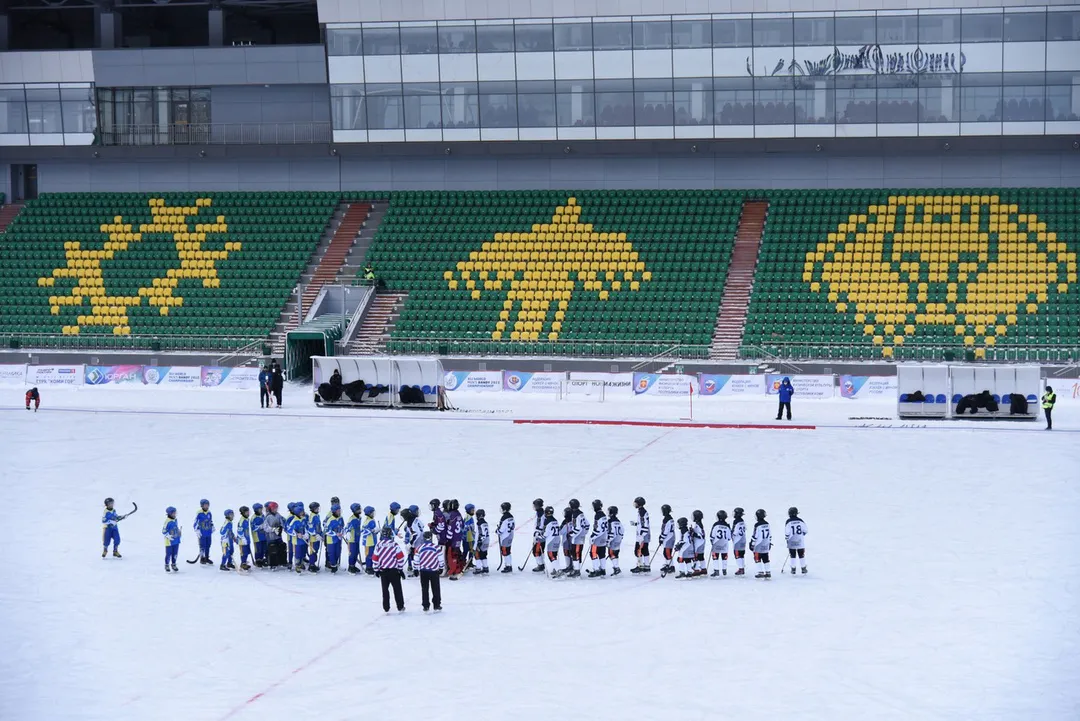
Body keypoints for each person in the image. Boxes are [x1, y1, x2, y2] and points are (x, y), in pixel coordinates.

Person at [372, 527, 406, 613]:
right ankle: (400, 606)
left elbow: (375, 559)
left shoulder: (378, 545)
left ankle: (386, 607)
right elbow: (400, 557)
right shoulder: (394, 544)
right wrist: (400, 569)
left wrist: (376, 569)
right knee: (397, 589)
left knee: (385, 590)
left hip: (383, 571)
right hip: (394, 571)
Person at [414, 531, 444, 612]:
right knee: (436, 588)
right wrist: (441, 567)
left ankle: (426, 605)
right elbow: (440, 559)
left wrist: (415, 569)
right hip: (434, 571)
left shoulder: (419, 548)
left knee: (424, 589)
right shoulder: (436, 547)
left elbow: (416, 559)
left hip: (423, 571)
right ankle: (437, 605)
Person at [587, 499, 609, 578]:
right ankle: (603, 570)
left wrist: (593, 536)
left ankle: (596, 570)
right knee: (602, 554)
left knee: (593, 554)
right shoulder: (603, 515)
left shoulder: (597, 515)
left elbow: (597, 528)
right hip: (604, 537)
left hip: (597, 538)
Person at [569, 498, 589, 578]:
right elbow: (587, 524)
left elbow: (577, 527)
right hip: (581, 536)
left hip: (577, 538)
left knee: (575, 553)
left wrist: (572, 534)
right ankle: (577, 569)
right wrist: (584, 533)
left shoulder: (575, 515)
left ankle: (577, 571)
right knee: (577, 553)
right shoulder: (581, 513)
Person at [784, 507, 808, 575]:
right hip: (800, 540)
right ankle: (803, 568)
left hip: (791, 540)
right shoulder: (800, 521)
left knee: (792, 555)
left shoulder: (788, 521)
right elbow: (806, 530)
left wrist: (787, 539)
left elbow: (787, 532)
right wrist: (801, 535)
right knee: (801, 554)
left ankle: (793, 569)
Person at [630, 497, 651, 573]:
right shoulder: (642, 511)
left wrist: (641, 536)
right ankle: (647, 566)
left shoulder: (642, 512)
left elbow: (645, 525)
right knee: (645, 550)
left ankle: (640, 566)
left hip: (642, 535)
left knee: (638, 550)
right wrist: (636, 524)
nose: (634, 504)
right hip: (644, 534)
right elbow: (642, 523)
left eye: (636, 503)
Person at [263, 501, 286, 568]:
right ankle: (272, 563)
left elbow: (282, 522)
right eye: (274, 508)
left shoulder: (278, 515)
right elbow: (265, 527)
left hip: (278, 536)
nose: (275, 510)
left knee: (281, 547)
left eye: (276, 508)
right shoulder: (268, 517)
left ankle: (281, 561)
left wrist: (281, 527)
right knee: (272, 549)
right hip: (271, 537)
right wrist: (273, 529)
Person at [750, 509, 772, 579]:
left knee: (757, 557)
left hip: (758, 544)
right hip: (766, 543)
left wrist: (752, 544)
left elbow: (755, 536)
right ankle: (768, 572)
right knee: (766, 558)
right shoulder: (767, 524)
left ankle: (760, 572)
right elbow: (770, 535)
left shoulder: (757, 525)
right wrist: (769, 543)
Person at [710, 510, 732, 577]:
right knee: (724, 557)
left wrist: (712, 541)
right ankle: (724, 570)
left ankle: (716, 571)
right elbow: (729, 537)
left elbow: (712, 535)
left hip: (716, 543)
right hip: (725, 544)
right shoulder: (727, 526)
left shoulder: (715, 525)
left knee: (715, 557)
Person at [445, 500, 464, 578]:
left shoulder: (451, 515)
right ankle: (459, 565)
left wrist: (448, 538)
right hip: (458, 537)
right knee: (457, 551)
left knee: (452, 554)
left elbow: (450, 527)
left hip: (452, 538)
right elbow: (462, 525)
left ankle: (454, 569)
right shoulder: (459, 514)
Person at [324, 503, 344, 573]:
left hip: (338, 539)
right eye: (338, 511)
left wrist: (342, 532)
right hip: (331, 540)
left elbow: (342, 526)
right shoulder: (330, 520)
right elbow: (326, 531)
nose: (339, 512)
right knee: (332, 553)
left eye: (340, 510)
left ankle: (336, 563)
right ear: (334, 511)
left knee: (338, 552)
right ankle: (333, 565)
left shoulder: (340, 518)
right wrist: (335, 534)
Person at [542, 506, 562, 577]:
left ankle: (558, 570)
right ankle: (555, 568)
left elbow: (546, 533)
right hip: (557, 539)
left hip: (551, 540)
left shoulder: (547, 521)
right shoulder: (555, 520)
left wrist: (541, 536)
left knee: (551, 555)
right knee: (554, 554)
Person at [345, 503, 364, 574]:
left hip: (357, 538)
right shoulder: (352, 519)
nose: (360, 510)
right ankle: (350, 567)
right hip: (352, 539)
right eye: (358, 509)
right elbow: (347, 528)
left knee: (356, 552)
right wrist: (348, 532)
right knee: (352, 553)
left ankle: (353, 565)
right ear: (355, 510)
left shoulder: (359, 518)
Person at [496, 502, 515, 573]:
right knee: (508, 551)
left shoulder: (504, 517)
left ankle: (508, 566)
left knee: (505, 552)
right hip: (510, 535)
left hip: (505, 537)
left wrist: (498, 531)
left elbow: (501, 529)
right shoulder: (511, 516)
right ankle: (509, 565)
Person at [657, 504, 676, 575]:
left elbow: (666, 530)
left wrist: (662, 537)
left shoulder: (667, 520)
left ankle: (671, 566)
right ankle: (668, 564)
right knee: (665, 552)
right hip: (669, 537)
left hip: (669, 538)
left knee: (667, 553)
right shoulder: (669, 518)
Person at [194, 499, 214, 565]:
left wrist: (212, 526)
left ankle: (206, 557)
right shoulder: (199, 513)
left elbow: (210, 521)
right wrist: (197, 530)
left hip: (208, 532)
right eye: (205, 505)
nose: (206, 506)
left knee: (208, 545)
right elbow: (195, 523)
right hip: (202, 533)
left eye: (207, 505)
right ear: (202, 505)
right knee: (202, 546)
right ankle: (202, 558)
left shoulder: (209, 512)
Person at [162, 506, 181, 573]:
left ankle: (173, 564)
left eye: (175, 513)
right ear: (170, 514)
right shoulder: (167, 521)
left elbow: (175, 528)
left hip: (176, 540)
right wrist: (167, 535)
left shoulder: (175, 520)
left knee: (175, 553)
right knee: (168, 554)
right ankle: (167, 565)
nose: (175, 514)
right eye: (173, 513)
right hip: (169, 542)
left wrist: (179, 532)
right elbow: (163, 531)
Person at [530, 498, 546, 573]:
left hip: (540, 535)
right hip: (543, 534)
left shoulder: (540, 514)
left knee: (536, 551)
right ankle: (541, 564)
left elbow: (540, 526)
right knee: (540, 550)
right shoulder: (541, 512)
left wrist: (537, 534)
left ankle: (541, 565)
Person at [607, 506, 624, 576]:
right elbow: (622, 530)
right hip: (618, 539)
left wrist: (608, 540)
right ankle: (616, 567)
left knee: (612, 554)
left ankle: (616, 568)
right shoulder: (618, 521)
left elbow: (612, 532)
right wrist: (621, 537)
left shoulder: (610, 521)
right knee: (616, 553)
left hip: (613, 540)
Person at [472, 509, 490, 574]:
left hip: (481, 542)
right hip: (487, 541)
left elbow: (481, 534)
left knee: (477, 555)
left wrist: (479, 543)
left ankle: (478, 568)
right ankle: (485, 567)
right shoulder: (485, 523)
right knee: (484, 554)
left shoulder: (479, 523)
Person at [361, 506, 378, 574]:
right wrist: (373, 530)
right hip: (368, 542)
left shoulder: (372, 520)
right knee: (369, 555)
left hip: (372, 541)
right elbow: (363, 531)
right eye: (373, 512)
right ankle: (368, 568)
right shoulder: (367, 521)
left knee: (372, 554)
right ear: (369, 513)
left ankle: (370, 565)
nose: (374, 514)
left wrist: (376, 530)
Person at [307, 501, 323, 572]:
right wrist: (315, 534)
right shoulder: (312, 516)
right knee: (312, 551)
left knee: (316, 550)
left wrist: (321, 534)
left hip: (318, 537)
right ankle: (311, 565)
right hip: (313, 538)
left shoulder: (317, 516)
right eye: (316, 508)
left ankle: (313, 564)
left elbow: (319, 526)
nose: (318, 509)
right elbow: (310, 528)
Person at [731, 507, 747, 576]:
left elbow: (735, 531)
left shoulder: (736, 521)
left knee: (737, 555)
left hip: (737, 540)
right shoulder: (742, 521)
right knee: (742, 554)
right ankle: (742, 567)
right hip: (743, 539)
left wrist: (731, 534)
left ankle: (741, 569)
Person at [691, 510, 707, 577]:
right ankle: (703, 569)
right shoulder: (698, 524)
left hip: (699, 543)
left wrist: (693, 533)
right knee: (701, 556)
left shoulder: (699, 525)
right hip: (701, 542)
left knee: (695, 556)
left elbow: (701, 535)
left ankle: (696, 570)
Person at [251, 503, 267, 567]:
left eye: (261, 509)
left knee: (264, 548)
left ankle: (262, 559)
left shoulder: (263, 515)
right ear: (256, 510)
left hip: (264, 536)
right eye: (259, 509)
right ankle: (258, 560)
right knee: (258, 549)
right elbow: (253, 528)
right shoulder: (253, 518)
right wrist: (260, 527)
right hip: (257, 537)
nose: (261, 510)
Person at [236, 506, 252, 571]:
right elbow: (239, 531)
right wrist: (243, 538)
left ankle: (244, 562)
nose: (248, 513)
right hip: (242, 540)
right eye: (246, 512)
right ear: (243, 513)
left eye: (248, 512)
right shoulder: (241, 521)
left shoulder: (247, 519)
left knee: (247, 552)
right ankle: (243, 563)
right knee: (243, 552)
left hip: (247, 539)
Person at [462, 503, 476, 570]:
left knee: (467, 550)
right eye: (472, 510)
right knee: (469, 550)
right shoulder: (468, 518)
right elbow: (466, 527)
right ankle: (468, 563)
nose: (473, 511)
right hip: (469, 537)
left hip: (468, 537)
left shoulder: (468, 517)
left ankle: (466, 562)